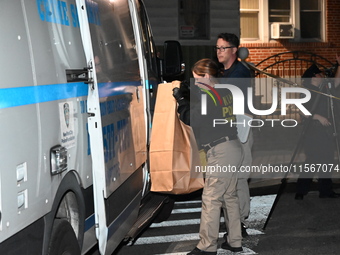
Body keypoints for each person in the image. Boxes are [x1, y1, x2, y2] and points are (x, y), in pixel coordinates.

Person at [174, 58, 244, 254]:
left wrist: (181, 100)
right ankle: (234, 241)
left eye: (197, 77)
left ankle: (206, 247)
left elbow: (191, 119)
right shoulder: (224, 91)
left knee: (211, 199)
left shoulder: (208, 95)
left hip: (221, 151)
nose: (195, 81)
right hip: (234, 146)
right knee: (230, 197)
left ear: (205, 76)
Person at [215, 32, 253, 237]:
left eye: (222, 48)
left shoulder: (240, 73)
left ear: (233, 50)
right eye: (217, 48)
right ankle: (232, 219)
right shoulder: (224, 73)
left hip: (241, 130)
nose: (218, 52)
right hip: (228, 130)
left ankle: (240, 222)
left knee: (238, 178)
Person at [295, 60, 340, 200]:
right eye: (320, 73)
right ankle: (301, 190)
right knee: (312, 161)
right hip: (313, 132)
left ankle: (325, 191)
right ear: (314, 77)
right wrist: (318, 117)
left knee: (327, 160)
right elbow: (302, 111)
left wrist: (339, 66)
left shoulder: (325, 88)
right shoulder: (306, 92)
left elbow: (337, 82)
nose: (322, 75)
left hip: (325, 132)